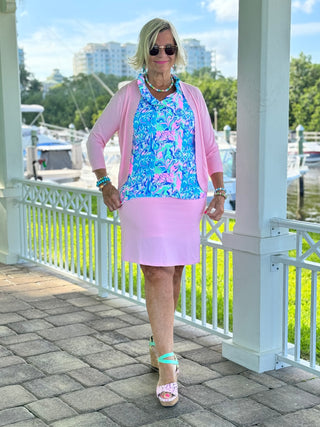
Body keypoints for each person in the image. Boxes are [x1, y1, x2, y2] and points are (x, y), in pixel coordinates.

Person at [87, 17, 225, 407]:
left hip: (186, 198)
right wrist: (104, 183)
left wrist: (219, 190)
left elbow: (211, 148)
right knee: (158, 273)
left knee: (175, 272)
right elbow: (95, 140)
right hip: (142, 199)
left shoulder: (194, 96)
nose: (162, 56)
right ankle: (167, 362)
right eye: (154, 49)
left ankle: (156, 342)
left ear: (177, 52)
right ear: (143, 53)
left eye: (169, 48)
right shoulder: (128, 95)